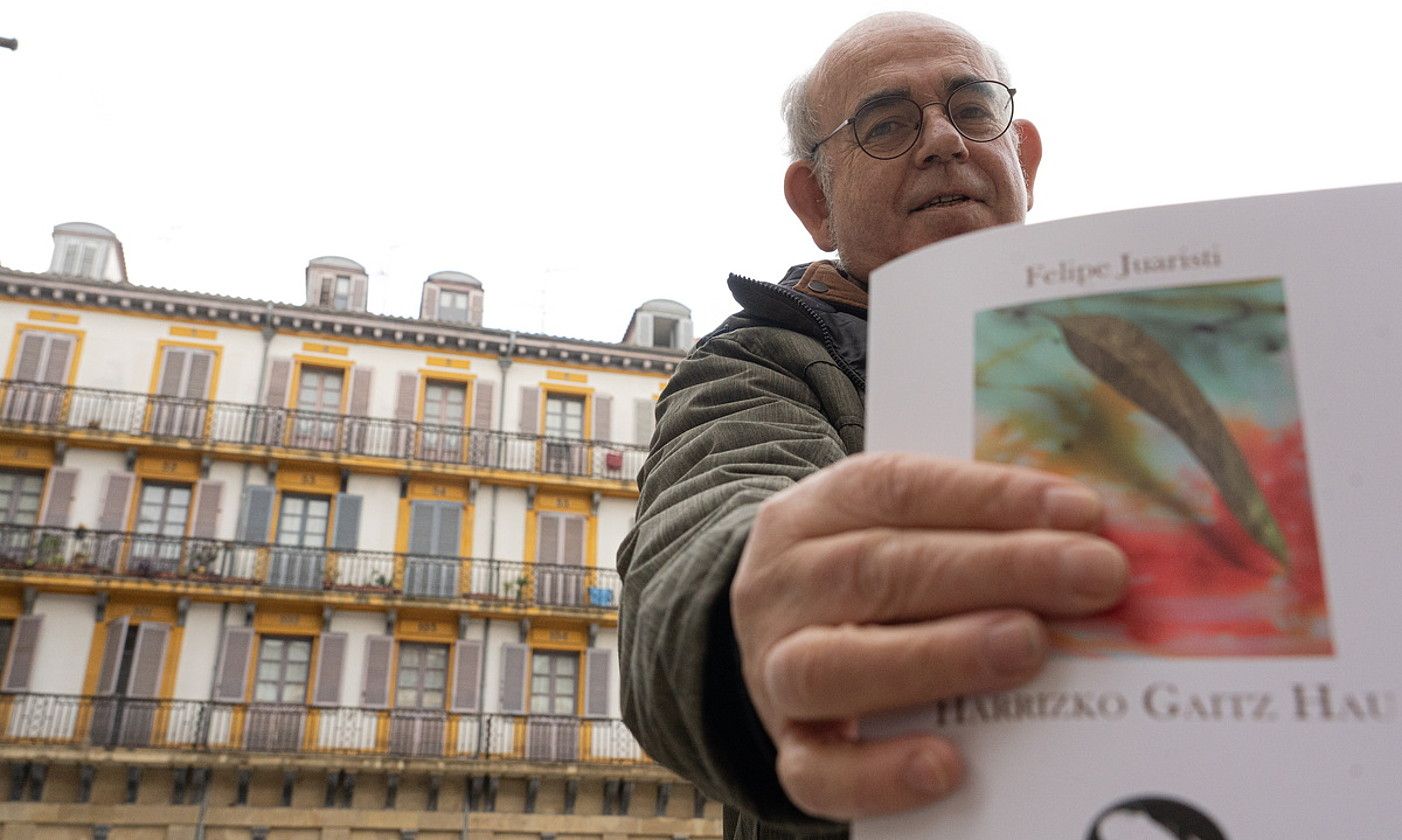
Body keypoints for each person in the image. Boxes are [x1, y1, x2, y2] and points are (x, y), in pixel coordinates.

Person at [616, 12, 1130, 839]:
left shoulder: (1136, 334)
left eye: (971, 109)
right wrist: (745, 633)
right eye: (887, 124)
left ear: (1022, 155)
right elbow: (695, 539)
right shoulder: (755, 365)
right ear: (814, 202)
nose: (942, 141)